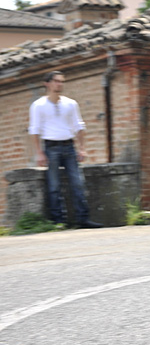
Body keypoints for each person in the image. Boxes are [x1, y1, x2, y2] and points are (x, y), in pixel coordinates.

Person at [28, 71, 101, 228]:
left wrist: (82, 149)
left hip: (69, 146)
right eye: (56, 81)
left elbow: (79, 126)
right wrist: (39, 153)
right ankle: (58, 221)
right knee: (54, 186)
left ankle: (83, 219)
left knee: (78, 183)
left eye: (61, 81)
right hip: (51, 147)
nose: (59, 84)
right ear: (46, 83)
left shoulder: (70, 103)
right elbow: (34, 130)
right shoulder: (38, 105)